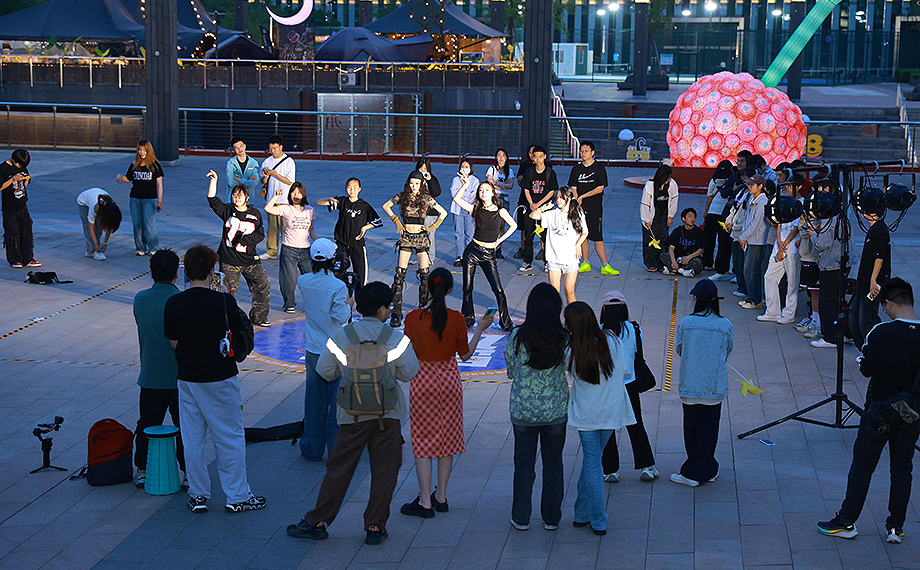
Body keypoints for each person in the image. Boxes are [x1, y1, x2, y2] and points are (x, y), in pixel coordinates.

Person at [286, 282, 419, 546]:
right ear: (382, 309)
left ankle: (317, 521)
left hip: (351, 416)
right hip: (388, 415)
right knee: (385, 471)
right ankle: (375, 525)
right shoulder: (396, 339)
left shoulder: (341, 336)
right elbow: (409, 372)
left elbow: (325, 371)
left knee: (339, 469)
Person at [163, 244, 266, 514]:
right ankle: (237, 495)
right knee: (229, 437)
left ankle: (198, 494)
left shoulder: (174, 303)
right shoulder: (223, 302)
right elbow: (240, 331)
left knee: (192, 438)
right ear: (212, 271)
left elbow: (174, 342)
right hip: (220, 377)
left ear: (186, 272)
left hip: (187, 379)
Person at [818, 278, 920, 543]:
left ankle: (846, 521)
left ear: (888, 303)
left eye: (884, 306)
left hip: (879, 412)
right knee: (902, 469)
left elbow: (867, 369)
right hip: (911, 414)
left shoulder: (881, 332)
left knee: (863, 466)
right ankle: (895, 528)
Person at [400, 268, 494, 518]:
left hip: (422, 380)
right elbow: (465, 355)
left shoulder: (413, 318)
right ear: (450, 290)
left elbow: (406, 351)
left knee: (423, 440)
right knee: (448, 438)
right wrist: (480, 329)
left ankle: (424, 500)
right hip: (449, 381)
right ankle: (440, 496)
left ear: (427, 287)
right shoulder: (456, 319)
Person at [564, 301, 635, 535]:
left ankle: (597, 519)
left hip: (586, 415)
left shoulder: (571, 350)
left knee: (592, 464)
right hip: (611, 412)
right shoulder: (612, 341)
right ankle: (581, 513)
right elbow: (627, 370)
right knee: (593, 462)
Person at [504, 283, 569, 531]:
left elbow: (511, 371)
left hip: (523, 411)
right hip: (555, 411)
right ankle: (551, 517)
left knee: (523, 464)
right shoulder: (563, 337)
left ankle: (521, 516)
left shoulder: (517, 337)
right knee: (553, 464)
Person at [671, 279, 733, 487]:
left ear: (696, 299)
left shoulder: (686, 323)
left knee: (692, 430)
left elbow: (680, 348)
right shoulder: (725, 325)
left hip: (691, 384)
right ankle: (707, 468)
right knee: (709, 431)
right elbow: (728, 350)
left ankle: (693, 472)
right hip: (714, 386)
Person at [132, 249, 185, 488]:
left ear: (151, 273)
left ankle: (143, 468)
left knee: (147, 423)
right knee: (184, 427)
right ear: (176, 273)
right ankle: (187, 470)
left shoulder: (140, 299)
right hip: (178, 376)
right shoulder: (180, 301)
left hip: (150, 375)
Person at [297, 238, 352, 462]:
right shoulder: (338, 286)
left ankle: (312, 447)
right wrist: (349, 303)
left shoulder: (303, 280)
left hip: (313, 347)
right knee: (336, 401)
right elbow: (341, 316)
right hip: (335, 349)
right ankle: (336, 448)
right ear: (332, 260)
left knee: (314, 400)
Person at [599, 291, 658, 482]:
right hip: (629, 383)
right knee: (636, 424)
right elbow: (637, 352)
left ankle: (610, 470)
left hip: (607, 386)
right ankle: (646, 466)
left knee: (608, 426)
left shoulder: (598, 331)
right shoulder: (633, 328)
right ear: (624, 308)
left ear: (604, 309)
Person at [382, 171, 448, 328]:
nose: (414, 186)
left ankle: (423, 310)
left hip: (421, 238)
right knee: (399, 275)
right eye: (411, 183)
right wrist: (396, 220)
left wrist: (432, 227)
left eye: (417, 183)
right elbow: (386, 206)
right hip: (406, 237)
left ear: (421, 184)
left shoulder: (426, 198)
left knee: (425, 276)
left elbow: (443, 212)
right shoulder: (402, 196)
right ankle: (396, 313)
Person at [205, 170, 271, 327]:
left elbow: (260, 234)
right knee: (227, 292)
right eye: (234, 195)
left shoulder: (255, 213)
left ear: (247, 198)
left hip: (250, 260)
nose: (237, 198)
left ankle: (259, 317)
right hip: (229, 261)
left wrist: (247, 240)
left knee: (263, 284)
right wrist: (214, 180)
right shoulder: (228, 211)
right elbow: (212, 200)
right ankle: (224, 322)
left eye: (240, 195)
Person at [453, 181, 517, 330]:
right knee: (467, 288)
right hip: (472, 251)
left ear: (493, 193)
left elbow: (513, 225)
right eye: (481, 190)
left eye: (487, 190)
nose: (483, 192)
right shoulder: (476, 209)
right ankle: (468, 318)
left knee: (498, 290)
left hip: (489, 254)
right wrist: (465, 185)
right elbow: (457, 199)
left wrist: (499, 240)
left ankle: (505, 322)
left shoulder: (500, 210)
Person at [316, 178, 381, 289]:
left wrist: (365, 227)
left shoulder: (364, 205)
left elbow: (377, 221)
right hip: (341, 243)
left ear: (359, 189)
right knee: (337, 275)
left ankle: (360, 298)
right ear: (346, 188)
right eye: (349, 187)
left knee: (360, 276)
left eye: (355, 187)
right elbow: (319, 202)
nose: (352, 190)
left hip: (357, 244)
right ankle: (340, 296)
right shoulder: (342, 202)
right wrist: (329, 199)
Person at [809, 183, 851, 349]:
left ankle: (830, 337)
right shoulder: (843, 215)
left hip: (830, 266)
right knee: (840, 300)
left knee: (827, 302)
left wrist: (814, 234)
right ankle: (844, 333)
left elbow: (822, 244)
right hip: (843, 263)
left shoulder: (829, 219)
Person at [530, 186, 588, 303]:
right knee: (554, 292)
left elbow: (585, 232)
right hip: (554, 259)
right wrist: (543, 208)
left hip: (571, 259)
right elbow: (533, 216)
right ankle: (554, 313)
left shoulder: (578, 215)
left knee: (569, 290)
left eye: (561, 197)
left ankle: (572, 313)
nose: (558, 200)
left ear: (569, 198)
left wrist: (578, 245)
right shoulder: (552, 214)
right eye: (557, 197)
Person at [568, 141, 618, 276]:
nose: (583, 153)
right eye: (581, 151)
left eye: (586, 151)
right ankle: (585, 262)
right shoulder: (576, 169)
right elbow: (573, 187)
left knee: (597, 236)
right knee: (583, 234)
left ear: (592, 152)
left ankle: (605, 264)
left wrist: (583, 196)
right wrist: (577, 203)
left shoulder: (599, 168)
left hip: (595, 207)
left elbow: (600, 188)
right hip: (580, 208)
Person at [266, 181, 316, 313]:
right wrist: (276, 196)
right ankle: (289, 304)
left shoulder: (310, 210)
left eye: (299, 193)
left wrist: (317, 243)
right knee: (289, 279)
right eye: (293, 192)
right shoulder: (286, 208)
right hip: (289, 249)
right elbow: (268, 208)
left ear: (303, 194)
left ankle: (312, 303)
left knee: (310, 278)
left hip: (306, 249)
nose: (296, 195)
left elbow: (311, 229)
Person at [760, 175, 802, 324]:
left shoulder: (802, 203)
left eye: (791, 186)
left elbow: (797, 227)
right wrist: (779, 241)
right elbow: (779, 221)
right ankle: (772, 311)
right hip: (779, 244)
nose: (788, 189)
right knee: (769, 276)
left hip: (792, 246)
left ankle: (789, 314)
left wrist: (786, 243)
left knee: (792, 282)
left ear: (799, 187)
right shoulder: (783, 200)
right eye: (787, 186)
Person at [848, 202, 890, 349]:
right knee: (853, 316)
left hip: (871, 284)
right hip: (863, 282)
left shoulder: (879, 230)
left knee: (866, 319)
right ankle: (863, 348)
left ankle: (872, 350)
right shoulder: (875, 228)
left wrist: (873, 280)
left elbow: (879, 257)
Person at [116, 140, 163, 256]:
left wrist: (160, 200)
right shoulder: (134, 165)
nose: (142, 153)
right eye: (140, 150)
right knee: (137, 223)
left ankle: (153, 247)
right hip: (135, 198)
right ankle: (141, 247)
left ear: (149, 151)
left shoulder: (155, 165)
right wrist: (120, 177)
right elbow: (128, 179)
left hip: (149, 198)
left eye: (144, 150)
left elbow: (159, 184)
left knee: (149, 223)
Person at [519, 146, 558, 272]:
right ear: (532, 157)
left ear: (545, 157)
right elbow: (526, 189)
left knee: (546, 237)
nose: (538, 159)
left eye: (541, 156)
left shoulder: (550, 173)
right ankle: (527, 262)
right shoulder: (529, 172)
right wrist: (532, 203)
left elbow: (552, 191)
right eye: (535, 156)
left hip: (545, 210)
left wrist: (539, 204)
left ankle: (547, 262)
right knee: (528, 237)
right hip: (530, 208)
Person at [738, 174, 774, 309]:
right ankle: (752, 297)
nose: (749, 187)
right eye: (749, 185)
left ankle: (756, 299)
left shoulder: (763, 201)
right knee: (749, 270)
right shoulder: (752, 199)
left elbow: (756, 224)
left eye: (752, 185)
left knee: (751, 270)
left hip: (758, 241)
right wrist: (744, 236)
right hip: (750, 240)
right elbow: (748, 220)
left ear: (760, 186)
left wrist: (743, 237)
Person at [0, 148, 39, 268]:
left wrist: (26, 180)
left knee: (26, 231)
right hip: (9, 207)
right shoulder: (3, 168)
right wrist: (12, 179)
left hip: (22, 204)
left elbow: (24, 185)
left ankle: (28, 258)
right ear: (13, 159)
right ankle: (15, 259)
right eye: (18, 164)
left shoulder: (22, 166)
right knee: (13, 233)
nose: (19, 166)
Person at [260, 134, 295, 259]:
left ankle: (287, 251)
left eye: (275, 148)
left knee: (286, 228)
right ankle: (272, 251)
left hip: (285, 200)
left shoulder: (289, 162)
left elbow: (290, 181)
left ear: (281, 147)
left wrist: (275, 174)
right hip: (271, 199)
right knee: (272, 228)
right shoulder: (267, 161)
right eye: (270, 148)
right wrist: (265, 177)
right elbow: (263, 182)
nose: (272, 151)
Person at [640, 164, 679, 272]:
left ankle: (662, 262)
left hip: (664, 215)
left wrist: (670, 216)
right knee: (650, 240)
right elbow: (645, 203)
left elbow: (674, 200)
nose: (669, 179)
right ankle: (651, 263)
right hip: (652, 215)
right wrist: (646, 220)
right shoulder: (650, 185)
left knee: (663, 238)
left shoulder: (672, 184)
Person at [702, 160, 734, 280]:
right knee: (723, 242)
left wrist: (706, 212)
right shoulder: (732, 181)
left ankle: (707, 262)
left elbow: (709, 197)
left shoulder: (714, 180)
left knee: (709, 239)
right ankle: (721, 267)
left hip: (712, 211)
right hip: (725, 213)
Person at [485, 148, 515, 259]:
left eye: (503, 155)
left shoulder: (509, 171)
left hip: (504, 198)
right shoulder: (492, 169)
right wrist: (502, 185)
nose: (501, 158)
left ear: (506, 158)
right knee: (491, 222)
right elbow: (489, 183)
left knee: (501, 224)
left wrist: (497, 183)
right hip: (493, 197)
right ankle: (489, 247)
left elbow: (511, 185)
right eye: (499, 155)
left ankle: (498, 248)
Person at [77, 187, 122, 261]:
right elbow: (90, 228)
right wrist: (96, 245)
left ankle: (95, 249)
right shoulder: (95, 209)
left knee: (99, 227)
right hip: (83, 201)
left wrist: (105, 242)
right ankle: (91, 250)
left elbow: (109, 226)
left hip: (95, 197)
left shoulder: (111, 207)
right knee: (88, 226)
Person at [449, 159, 479, 267]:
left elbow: (473, 195)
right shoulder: (456, 180)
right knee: (459, 233)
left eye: (467, 167)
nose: (464, 169)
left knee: (470, 233)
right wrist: (464, 194)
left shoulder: (475, 180)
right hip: (458, 209)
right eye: (463, 167)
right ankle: (459, 256)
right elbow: (454, 193)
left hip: (469, 208)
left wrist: (462, 197)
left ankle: (470, 255)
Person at [662, 207, 705, 278]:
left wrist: (688, 257)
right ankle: (682, 270)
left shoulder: (699, 232)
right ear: (683, 219)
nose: (692, 219)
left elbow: (701, 250)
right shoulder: (677, 231)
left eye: (694, 217)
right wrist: (673, 261)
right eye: (690, 216)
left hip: (691, 259)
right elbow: (671, 247)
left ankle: (673, 269)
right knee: (663, 255)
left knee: (698, 262)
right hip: (678, 258)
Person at [416, 157, 443, 263]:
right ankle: (419, 257)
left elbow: (437, 192)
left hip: (430, 213)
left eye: (425, 169)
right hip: (417, 212)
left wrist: (430, 180)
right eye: (421, 169)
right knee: (417, 236)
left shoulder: (432, 179)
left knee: (429, 235)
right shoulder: (414, 179)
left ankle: (430, 257)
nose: (423, 171)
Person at [513, 144, 537, 260]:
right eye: (530, 152)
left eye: (534, 152)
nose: (532, 155)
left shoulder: (546, 166)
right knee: (523, 225)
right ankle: (523, 248)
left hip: (539, 199)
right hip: (524, 198)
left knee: (541, 226)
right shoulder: (524, 165)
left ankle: (543, 249)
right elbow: (520, 180)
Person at [225, 138, 261, 203]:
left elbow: (254, 182)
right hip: (233, 200)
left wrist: (240, 180)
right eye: (236, 148)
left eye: (241, 146)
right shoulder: (230, 163)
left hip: (248, 201)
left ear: (245, 146)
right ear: (234, 150)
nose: (239, 149)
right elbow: (230, 182)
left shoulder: (253, 163)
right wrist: (247, 181)